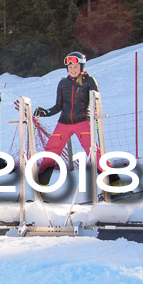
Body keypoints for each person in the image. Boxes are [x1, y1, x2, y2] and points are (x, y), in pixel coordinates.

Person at [33, 52, 120, 187]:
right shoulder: (63, 83)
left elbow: (96, 101)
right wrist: (46, 112)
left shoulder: (89, 81)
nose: (73, 70)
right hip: (64, 123)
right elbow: (58, 106)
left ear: (82, 67)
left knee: (93, 151)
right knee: (51, 150)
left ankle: (113, 184)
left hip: (83, 121)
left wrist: (95, 113)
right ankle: (41, 186)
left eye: (76, 67)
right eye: (70, 67)